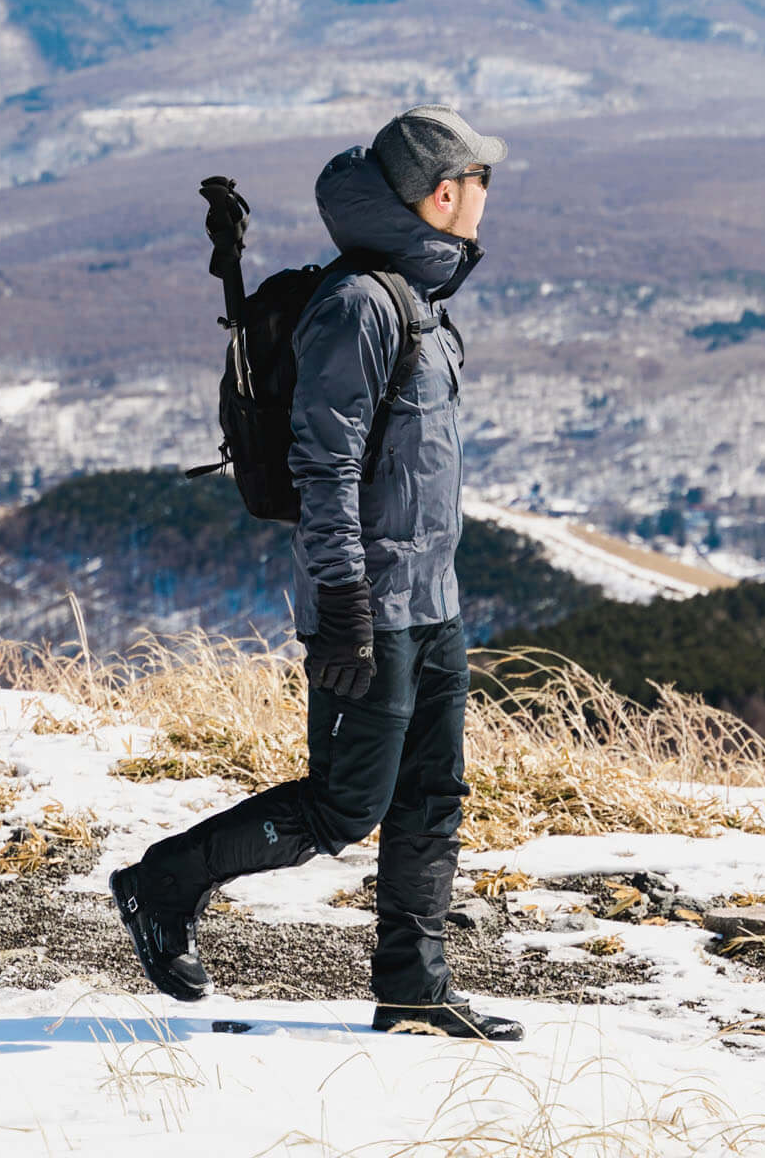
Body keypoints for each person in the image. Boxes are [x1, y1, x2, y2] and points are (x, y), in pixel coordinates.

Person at [112, 104, 523, 1040]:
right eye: (482, 183)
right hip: (368, 604)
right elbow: (322, 467)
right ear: (446, 193)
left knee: (432, 794)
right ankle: (161, 885)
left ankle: (413, 991)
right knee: (344, 806)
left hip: (433, 602)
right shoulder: (360, 306)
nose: (489, 201)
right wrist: (343, 606)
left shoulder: (420, 301)